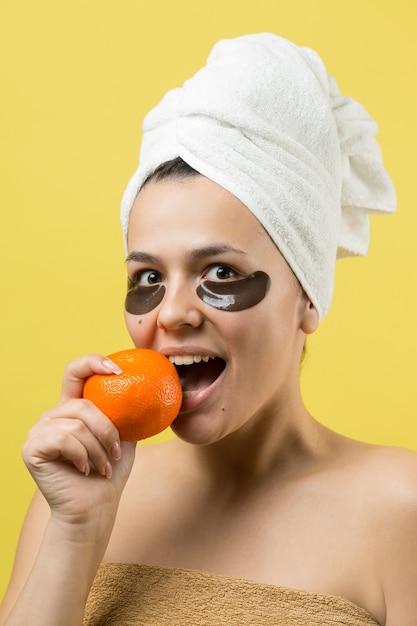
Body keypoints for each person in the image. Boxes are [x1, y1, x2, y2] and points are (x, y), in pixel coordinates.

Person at [1, 33, 416, 626]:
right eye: (147, 276)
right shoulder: (75, 491)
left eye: (220, 271)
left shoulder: (400, 511)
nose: (171, 313)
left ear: (307, 296)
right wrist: (75, 531)